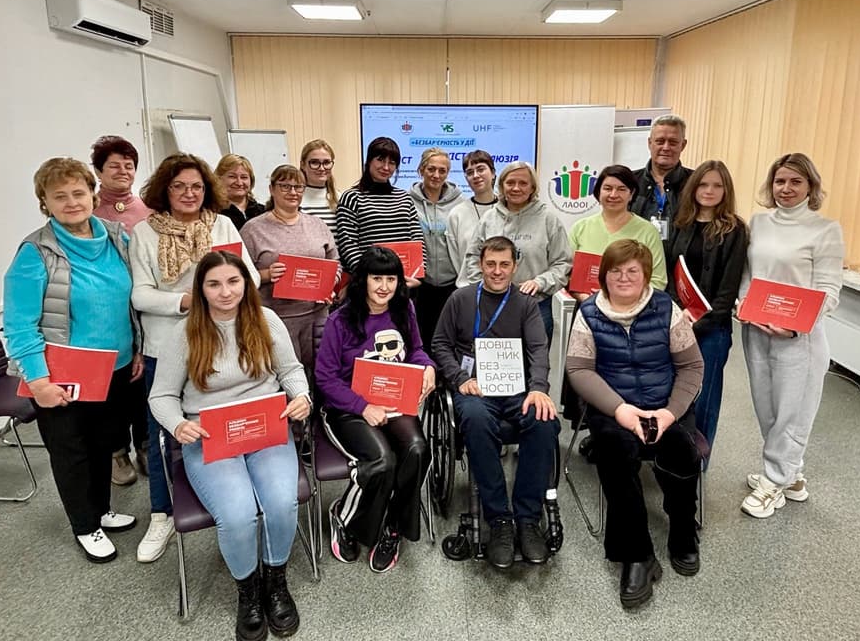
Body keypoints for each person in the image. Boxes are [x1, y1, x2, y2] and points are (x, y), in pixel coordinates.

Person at [149, 251, 311, 641]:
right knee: (237, 514)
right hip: (209, 435)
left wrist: (301, 396)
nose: (226, 292)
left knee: (280, 502)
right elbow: (162, 397)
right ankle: (248, 591)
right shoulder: (184, 333)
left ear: (246, 283)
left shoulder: (265, 320)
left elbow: (291, 371)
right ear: (200, 290)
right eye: (214, 284)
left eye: (233, 282)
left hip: (264, 428)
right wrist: (177, 424)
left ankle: (276, 581)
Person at [3, 157, 143, 563]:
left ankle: (100, 509)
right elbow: (19, 326)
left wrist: (134, 347)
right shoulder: (35, 253)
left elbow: (128, 303)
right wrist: (41, 383)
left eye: (78, 193)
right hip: (60, 374)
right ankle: (85, 525)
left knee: (103, 444)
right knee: (71, 451)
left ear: (92, 194)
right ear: (44, 202)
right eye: (58, 196)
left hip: (113, 368)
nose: (71, 202)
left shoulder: (116, 237)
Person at [129, 153, 260, 563]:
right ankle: (162, 513)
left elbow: (251, 277)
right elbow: (140, 294)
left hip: (222, 344)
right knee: (162, 433)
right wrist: (188, 300)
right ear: (164, 190)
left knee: (223, 424)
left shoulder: (221, 224)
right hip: (167, 346)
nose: (189, 194)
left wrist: (226, 292)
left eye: (197, 187)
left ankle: (238, 494)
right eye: (179, 186)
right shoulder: (144, 232)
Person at [566, 239, 704, 610]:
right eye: (616, 271)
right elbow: (579, 369)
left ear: (646, 277)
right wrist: (620, 409)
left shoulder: (667, 309)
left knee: (681, 449)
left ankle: (682, 529)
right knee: (613, 453)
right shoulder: (589, 312)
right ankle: (637, 554)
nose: (624, 278)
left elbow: (692, 367)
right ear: (604, 275)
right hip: (614, 412)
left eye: (633, 271)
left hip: (664, 407)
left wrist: (670, 412)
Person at [432, 236, 560, 570]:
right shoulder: (460, 299)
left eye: (504, 265)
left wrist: (539, 387)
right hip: (476, 389)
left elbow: (537, 349)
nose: (497, 271)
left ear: (515, 266)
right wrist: (460, 380)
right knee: (474, 420)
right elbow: (441, 344)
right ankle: (500, 519)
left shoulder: (526, 303)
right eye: (491, 264)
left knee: (544, 420)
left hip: (516, 388)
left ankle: (528, 519)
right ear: (480, 264)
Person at [314, 246, 435, 573]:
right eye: (376, 278)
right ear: (362, 281)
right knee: (382, 461)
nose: (384, 286)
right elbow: (324, 377)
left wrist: (428, 368)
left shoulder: (403, 309)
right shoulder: (341, 318)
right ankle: (344, 517)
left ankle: (392, 525)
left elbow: (417, 351)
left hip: (393, 400)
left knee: (417, 449)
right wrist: (362, 406)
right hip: (347, 407)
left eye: (391, 279)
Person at [739, 153, 844, 519]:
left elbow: (830, 290)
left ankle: (774, 480)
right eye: (780, 181)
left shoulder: (825, 230)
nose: (785, 188)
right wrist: (743, 304)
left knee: (792, 412)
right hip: (756, 330)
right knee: (767, 408)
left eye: (795, 182)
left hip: (800, 338)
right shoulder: (760, 222)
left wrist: (796, 324)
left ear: (810, 187)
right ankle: (791, 475)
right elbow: (749, 273)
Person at [665, 160, 747, 460]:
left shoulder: (735, 230)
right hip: (674, 322)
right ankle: (669, 455)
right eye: (703, 184)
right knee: (672, 391)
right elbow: (669, 274)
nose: (709, 191)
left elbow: (728, 290)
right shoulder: (680, 223)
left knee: (704, 397)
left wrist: (696, 322)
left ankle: (695, 462)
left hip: (712, 330)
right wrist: (677, 315)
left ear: (726, 190)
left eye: (717, 185)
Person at [90, 134, 152, 487]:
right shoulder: (88, 213)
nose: (123, 171)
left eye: (129, 165)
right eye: (114, 165)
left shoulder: (147, 210)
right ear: (98, 171)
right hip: (106, 313)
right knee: (110, 388)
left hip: (142, 309)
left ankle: (144, 444)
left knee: (140, 385)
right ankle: (116, 452)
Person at [241, 164, 339, 380]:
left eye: (298, 187)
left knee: (321, 376)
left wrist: (331, 283)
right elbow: (238, 275)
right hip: (276, 319)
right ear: (271, 189)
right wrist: (266, 275)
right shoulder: (253, 229)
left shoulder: (317, 225)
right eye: (285, 186)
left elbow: (335, 262)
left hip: (317, 316)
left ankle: (317, 415)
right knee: (285, 378)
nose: (292, 192)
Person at [461, 161, 572, 341]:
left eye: (523, 183)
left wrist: (540, 282)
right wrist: (484, 287)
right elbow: (473, 256)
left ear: (533, 188)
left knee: (533, 361)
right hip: (492, 305)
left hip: (535, 305)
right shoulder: (489, 218)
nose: (516, 188)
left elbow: (562, 263)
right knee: (494, 362)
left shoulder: (548, 220)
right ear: (502, 186)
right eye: (510, 183)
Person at [336, 137, 424, 286]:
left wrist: (417, 274)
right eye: (380, 160)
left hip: (404, 282)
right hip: (368, 285)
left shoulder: (404, 198)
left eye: (392, 162)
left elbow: (417, 239)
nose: (386, 167)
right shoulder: (352, 197)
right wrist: (368, 277)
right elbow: (347, 243)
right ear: (369, 160)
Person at [569, 164, 667, 296]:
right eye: (607, 188)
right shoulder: (580, 228)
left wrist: (624, 300)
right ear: (598, 192)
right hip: (587, 308)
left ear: (631, 194)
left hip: (634, 312)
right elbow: (566, 273)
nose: (613, 195)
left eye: (622, 189)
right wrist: (585, 299)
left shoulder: (648, 231)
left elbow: (658, 281)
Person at [409, 147, 464, 356]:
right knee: (421, 336)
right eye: (431, 169)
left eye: (442, 170)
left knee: (450, 337)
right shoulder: (407, 201)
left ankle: (446, 380)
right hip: (420, 285)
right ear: (421, 170)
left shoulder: (460, 203)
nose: (436, 175)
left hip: (452, 283)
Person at [629, 114, 693, 241]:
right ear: (649, 143)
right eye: (660, 141)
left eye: (673, 142)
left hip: (679, 259)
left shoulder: (696, 183)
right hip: (636, 258)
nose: (666, 147)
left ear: (683, 145)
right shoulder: (629, 181)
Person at [447, 150, 499, 283]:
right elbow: (457, 261)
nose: (475, 175)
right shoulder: (457, 214)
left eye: (481, 169)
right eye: (470, 172)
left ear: (493, 173)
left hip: (504, 290)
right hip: (469, 289)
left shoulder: (508, 210)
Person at [299, 139, 340, 238]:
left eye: (326, 162)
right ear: (303, 165)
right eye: (314, 162)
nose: (321, 168)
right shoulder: (295, 198)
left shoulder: (341, 198)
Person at [217, 154, 265, 231]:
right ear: (219, 179)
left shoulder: (264, 212)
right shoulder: (213, 215)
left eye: (244, 177)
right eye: (232, 176)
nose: (239, 183)